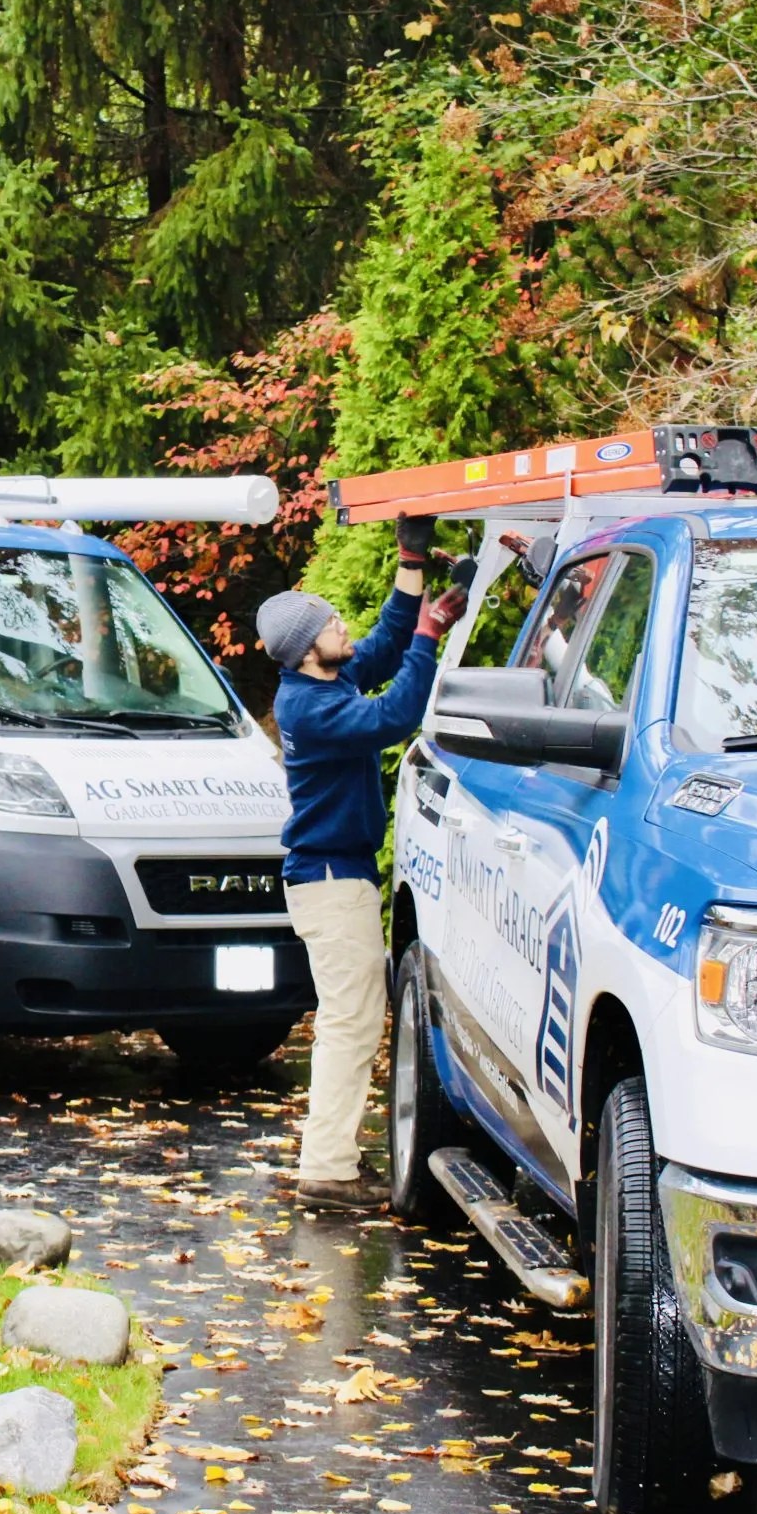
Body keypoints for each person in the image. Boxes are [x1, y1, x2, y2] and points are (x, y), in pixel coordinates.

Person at [255, 517, 466, 1210]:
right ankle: (327, 1169)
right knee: (349, 1023)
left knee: (351, 1019)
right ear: (304, 649)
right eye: (330, 624)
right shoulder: (309, 708)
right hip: (329, 882)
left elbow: (386, 641)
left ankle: (332, 1160)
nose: (343, 627)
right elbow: (394, 716)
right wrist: (432, 637)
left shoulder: (328, 679)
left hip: (334, 879)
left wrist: (413, 564)